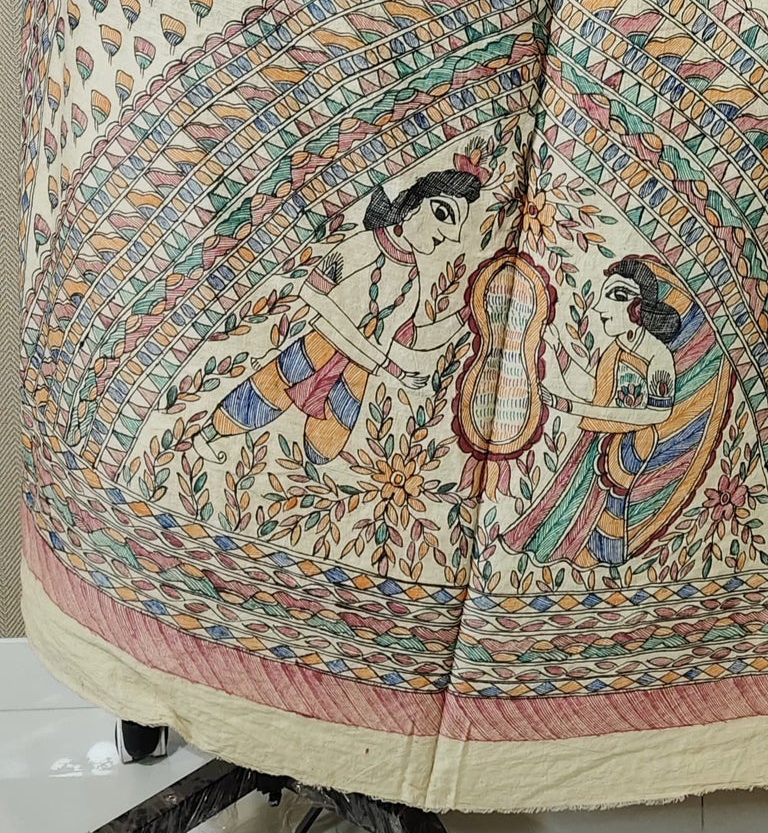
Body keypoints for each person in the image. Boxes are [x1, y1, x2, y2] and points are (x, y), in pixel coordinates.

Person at [208, 164, 487, 463]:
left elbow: (410, 335)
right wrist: (381, 360)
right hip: (322, 347)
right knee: (258, 399)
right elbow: (313, 292)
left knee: (323, 449)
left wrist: (467, 317)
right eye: (443, 215)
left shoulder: (412, 279)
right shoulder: (366, 245)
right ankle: (207, 439)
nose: (454, 235)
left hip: (357, 371)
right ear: (414, 204)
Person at [504, 257, 683, 566]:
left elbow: (657, 414)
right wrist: (561, 353)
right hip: (600, 435)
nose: (601, 308)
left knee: (608, 506)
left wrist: (574, 407)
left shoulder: (658, 356)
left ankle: (605, 562)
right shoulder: (616, 349)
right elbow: (597, 392)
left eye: (614, 296)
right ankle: (571, 557)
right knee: (570, 500)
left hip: (631, 444)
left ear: (638, 307)